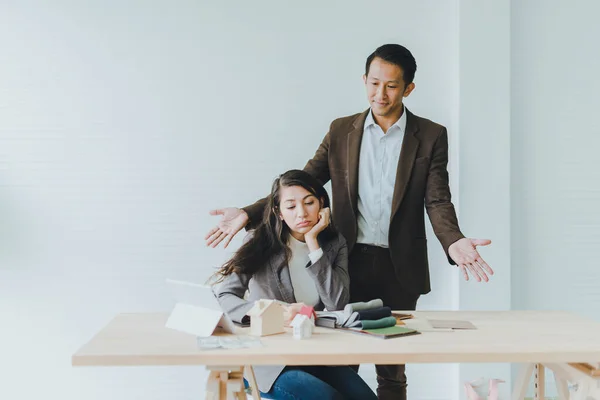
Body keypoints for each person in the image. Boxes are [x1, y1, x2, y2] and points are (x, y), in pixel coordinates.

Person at [206, 44, 494, 400]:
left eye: (391, 85)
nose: (380, 93)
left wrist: (454, 241)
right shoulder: (341, 131)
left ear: (408, 89)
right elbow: (306, 181)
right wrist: (250, 213)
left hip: (399, 265)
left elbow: (437, 198)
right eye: (373, 83)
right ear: (364, 81)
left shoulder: (431, 135)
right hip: (346, 259)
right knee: (340, 360)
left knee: (392, 368)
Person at [212, 169, 377, 400]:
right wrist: (274, 313)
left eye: (309, 202)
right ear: (279, 212)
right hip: (270, 362)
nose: (302, 213)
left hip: (314, 354)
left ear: (321, 203)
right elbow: (226, 296)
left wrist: (313, 244)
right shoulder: (259, 242)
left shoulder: (333, 243)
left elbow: (336, 302)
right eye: (290, 207)